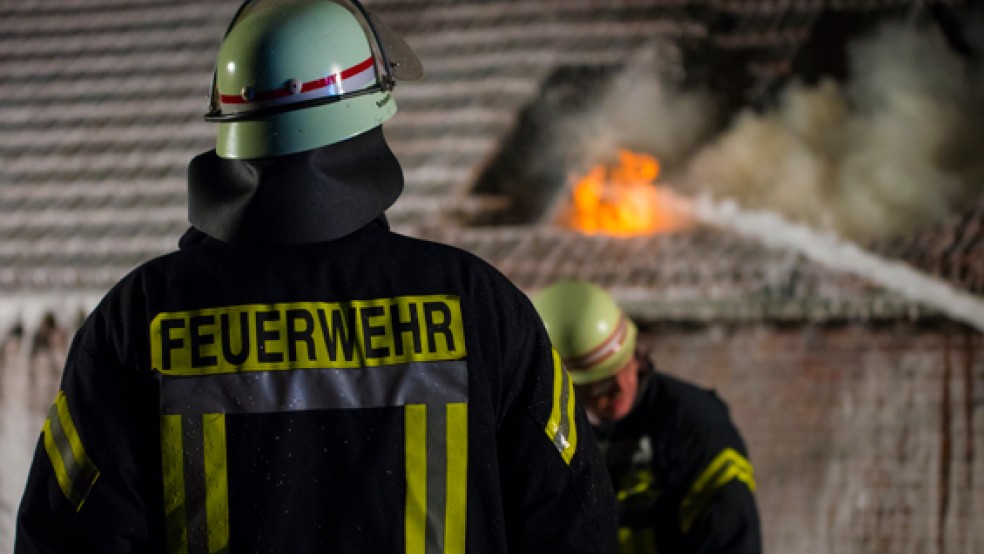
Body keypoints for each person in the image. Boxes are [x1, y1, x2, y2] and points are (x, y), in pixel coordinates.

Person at [15, 2, 618, 552]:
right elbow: (574, 525)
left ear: (230, 127)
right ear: (369, 119)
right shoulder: (478, 303)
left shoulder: (139, 316)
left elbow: (66, 538)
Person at [532, 279, 761, 554]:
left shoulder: (696, 426)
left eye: (626, 363)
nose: (621, 387)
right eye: (600, 383)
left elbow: (731, 539)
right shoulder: (537, 434)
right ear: (560, 383)